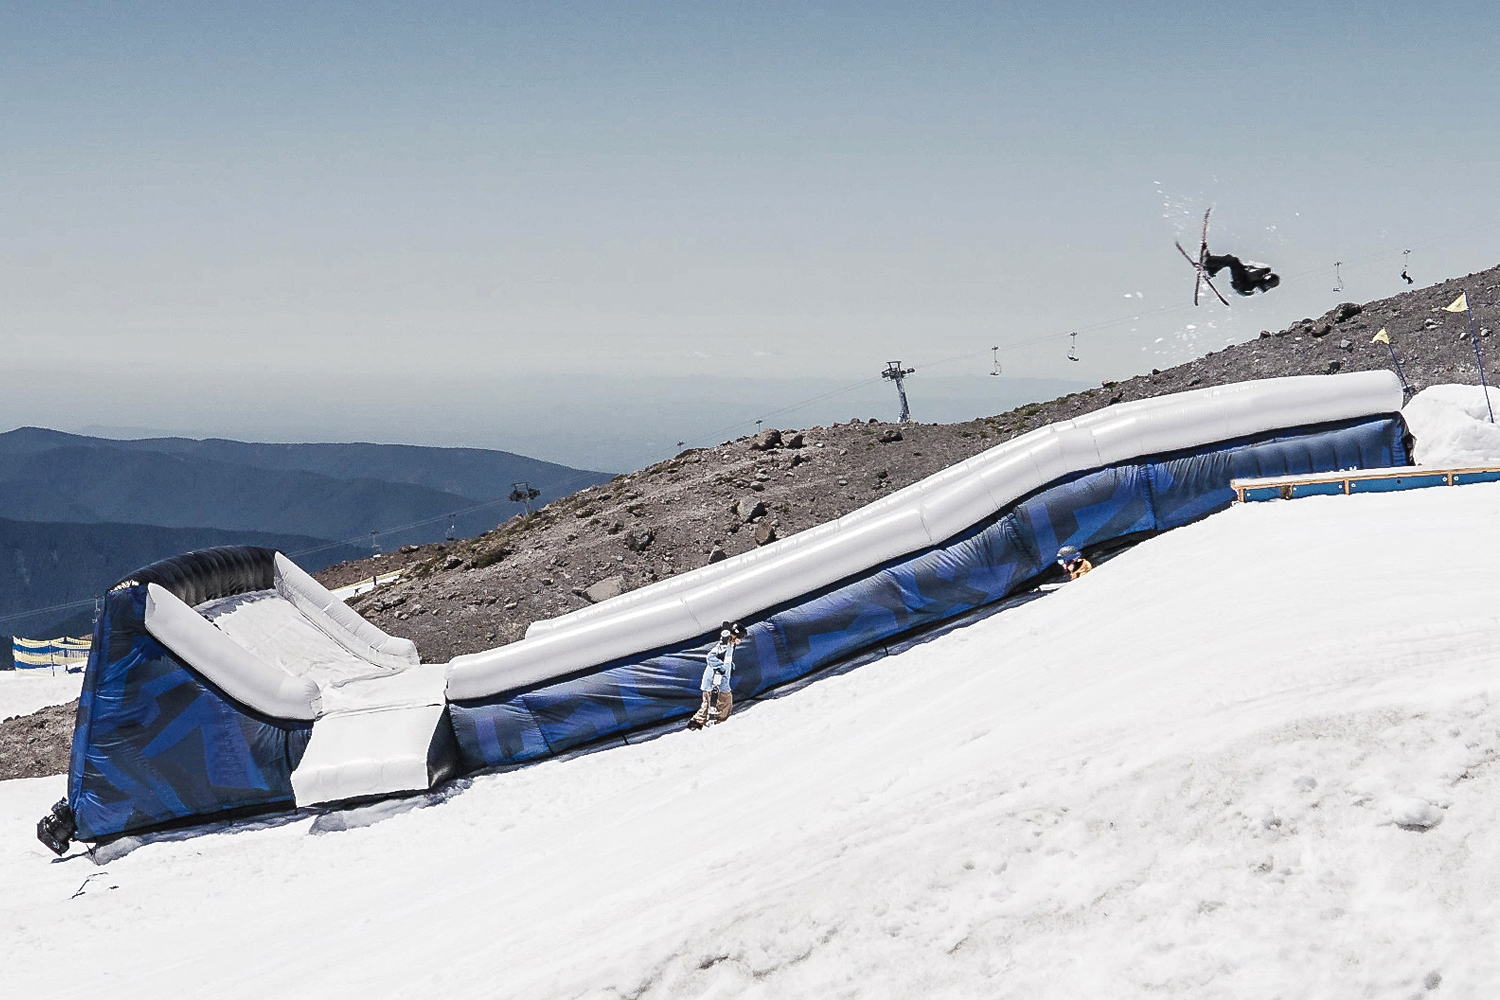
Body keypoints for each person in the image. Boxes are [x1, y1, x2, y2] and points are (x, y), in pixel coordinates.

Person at [689, 622, 745, 728]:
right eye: (740, 638)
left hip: (721, 681)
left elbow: (725, 660)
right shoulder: (723, 646)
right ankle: (699, 724)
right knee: (716, 703)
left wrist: (730, 666)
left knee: (716, 703)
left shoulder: (731, 646)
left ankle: (701, 723)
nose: (741, 641)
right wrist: (720, 667)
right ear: (735, 636)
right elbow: (710, 657)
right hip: (714, 681)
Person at [1202, 252, 1280, 296]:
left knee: (1233, 261)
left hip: (1242, 282)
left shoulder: (1261, 282)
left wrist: (1263, 271)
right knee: (1230, 260)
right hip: (1242, 282)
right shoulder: (1262, 284)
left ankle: (1207, 262)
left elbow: (1251, 276)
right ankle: (1210, 270)